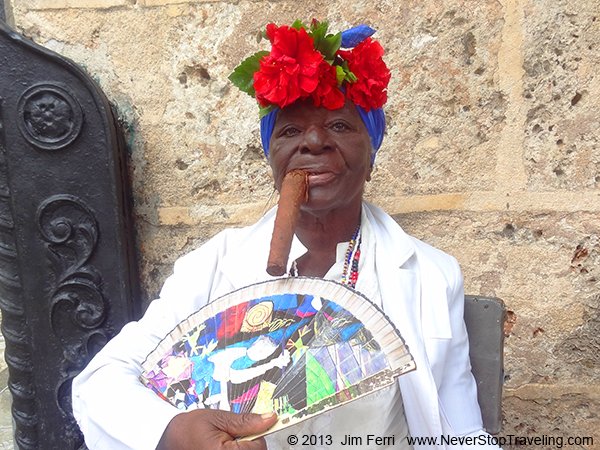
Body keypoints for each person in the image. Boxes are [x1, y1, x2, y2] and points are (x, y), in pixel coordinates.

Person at [72, 20, 500, 450]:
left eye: (339, 126)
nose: (313, 141)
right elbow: (100, 384)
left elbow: (459, 431)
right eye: (290, 131)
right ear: (272, 158)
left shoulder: (432, 275)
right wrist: (172, 433)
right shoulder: (213, 266)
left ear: (371, 155)